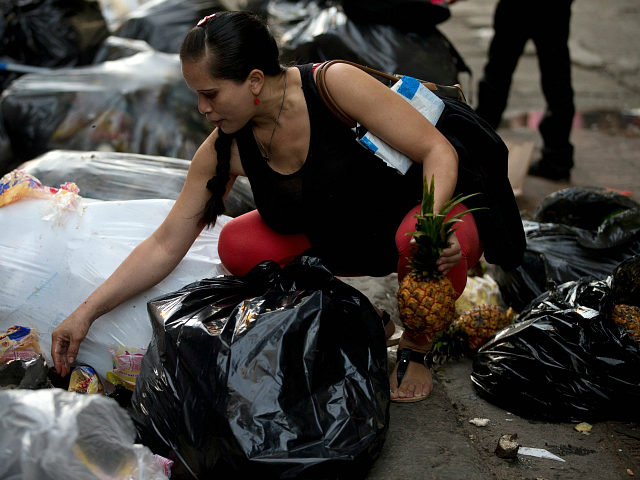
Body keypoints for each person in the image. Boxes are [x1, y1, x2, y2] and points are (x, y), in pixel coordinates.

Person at [51, 11, 483, 402]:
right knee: (239, 245)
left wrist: (430, 222)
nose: (203, 109)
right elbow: (166, 243)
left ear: (255, 80)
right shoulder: (227, 148)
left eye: (211, 94)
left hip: (413, 225)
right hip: (338, 242)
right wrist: (85, 313)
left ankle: (417, 347)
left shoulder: (334, 86)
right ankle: (364, 313)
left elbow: (437, 151)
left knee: (417, 238)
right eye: (197, 96)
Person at [473, 0, 576, 181]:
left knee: (498, 75)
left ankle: (477, 149)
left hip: (519, 7)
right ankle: (558, 158)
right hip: (552, 7)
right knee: (556, 77)